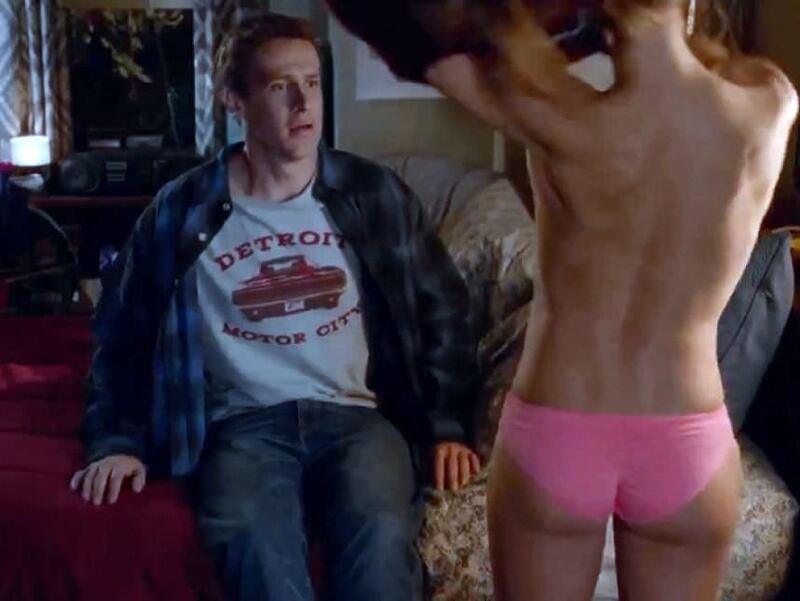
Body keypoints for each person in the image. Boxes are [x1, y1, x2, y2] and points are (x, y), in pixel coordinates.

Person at [327, 0, 799, 599]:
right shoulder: (767, 103)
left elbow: (401, 37)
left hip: (559, 432)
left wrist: (556, 31)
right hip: (685, 441)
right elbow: (715, 66)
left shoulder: (553, 114)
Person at [69, 13, 482, 601]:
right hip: (241, 425)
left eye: (311, 83)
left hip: (358, 418)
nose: (303, 103)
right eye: (279, 85)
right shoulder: (181, 210)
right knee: (252, 540)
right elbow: (123, 336)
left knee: (380, 531)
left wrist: (446, 427)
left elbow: (442, 310)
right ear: (235, 101)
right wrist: (117, 441)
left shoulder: (372, 194)